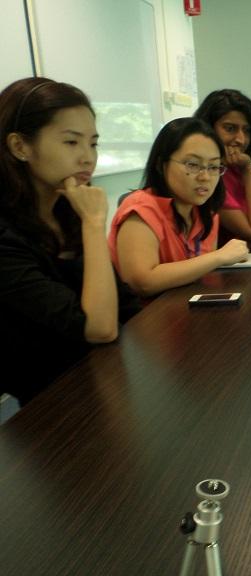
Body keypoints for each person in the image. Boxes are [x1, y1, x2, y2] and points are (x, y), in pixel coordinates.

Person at [0, 78, 125, 404]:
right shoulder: (6, 237)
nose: (88, 158)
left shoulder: (68, 212)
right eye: (71, 142)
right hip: (51, 405)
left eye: (93, 144)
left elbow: (125, 306)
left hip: (100, 379)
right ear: (20, 147)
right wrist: (94, 224)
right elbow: (100, 328)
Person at [109, 118, 249, 297]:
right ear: (161, 165)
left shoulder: (206, 213)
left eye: (213, 166)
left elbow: (199, 275)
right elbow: (141, 282)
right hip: (149, 312)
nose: (205, 177)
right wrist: (219, 257)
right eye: (193, 164)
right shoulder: (140, 209)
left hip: (188, 304)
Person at [195, 89, 251, 246]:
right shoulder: (207, 177)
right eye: (230, 128)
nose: (241, 140)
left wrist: (246, 169)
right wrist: (248, 170)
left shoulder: (237, 168)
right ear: (208, 129)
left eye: (246, 131)